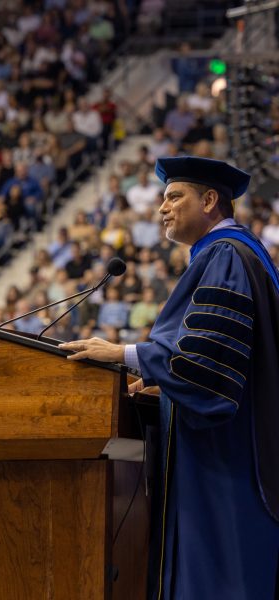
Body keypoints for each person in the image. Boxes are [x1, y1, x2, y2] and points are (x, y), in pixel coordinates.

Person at [59, 157, 279, 599]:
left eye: (175, 196)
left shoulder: (226, 255)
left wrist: (123, 353)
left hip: (225, 455)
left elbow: (207, 359)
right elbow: (225, 361)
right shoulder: (233, 254)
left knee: (221, 574)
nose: (163, 207)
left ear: (210, 200)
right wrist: (162, 383)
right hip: (231, 443)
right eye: (163, 198)